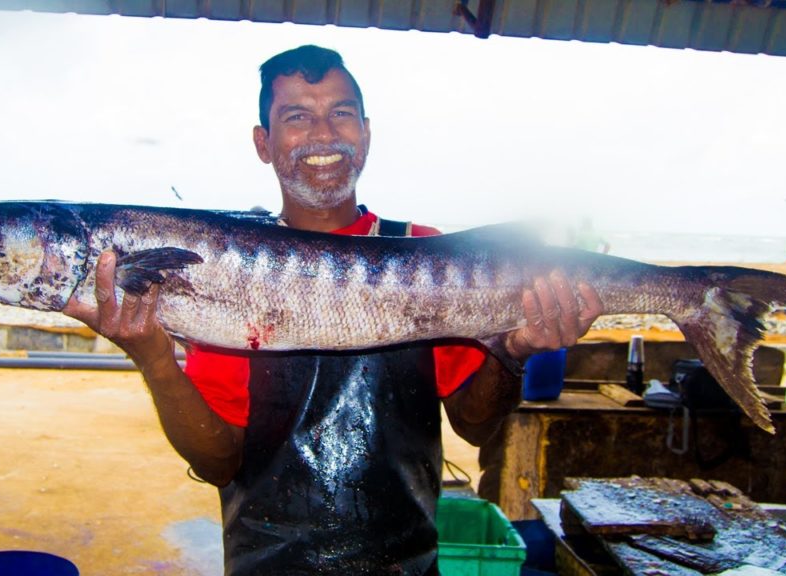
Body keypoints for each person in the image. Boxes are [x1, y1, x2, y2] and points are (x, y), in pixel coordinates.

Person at [64, 45, 604, 575]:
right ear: (263, 142)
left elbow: (477, 426)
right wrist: (155, 360)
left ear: (366, 134)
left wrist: (512, 352)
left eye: (341, 114)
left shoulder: (424, 251)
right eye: (297, 116)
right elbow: (217, 461)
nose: (324, 135)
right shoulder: (232, 271)